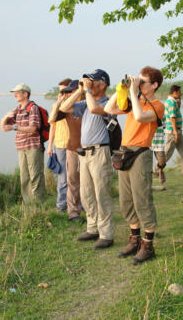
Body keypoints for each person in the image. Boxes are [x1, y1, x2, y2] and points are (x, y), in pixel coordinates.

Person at [105, 66, 165, 264]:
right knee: (126, 201)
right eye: (138, 80)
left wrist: (133, 90)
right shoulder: (135, 102)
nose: (139, 84)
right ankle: (134, 239)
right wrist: (121, 88)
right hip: (125, 153)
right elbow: (108, 109)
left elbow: (139, 117)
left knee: (142, 199)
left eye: (143, 81)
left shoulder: (157, 106)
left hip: (141, 154)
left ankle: (148, 246)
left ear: (154, 85)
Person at [59, 69, 115, 249]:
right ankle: (92, 228)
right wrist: (79, 90)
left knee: (101, 193)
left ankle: (106, 234)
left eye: (93, 81)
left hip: (100, 152)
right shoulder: (85, 100)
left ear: (102, 84)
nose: (89, 83)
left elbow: (93, 108)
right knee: (87, 192)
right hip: (85, 153)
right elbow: (63, 108)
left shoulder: (108, 102)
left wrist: (88, 91)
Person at [0, 83, 46, 203]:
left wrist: (15, 127)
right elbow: (4, 128)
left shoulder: (32, 108)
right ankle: (28, 204)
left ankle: (39, 203)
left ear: (25, 94)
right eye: (14, 93)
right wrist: (5, 117)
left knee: (35, 175)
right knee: (24, 177)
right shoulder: (18, 109)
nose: (15, 95)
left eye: (17, 92)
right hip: (21, 147)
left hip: (33, 146)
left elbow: (33, 128)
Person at [47, 79, 84, 223]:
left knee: (83, 180)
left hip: (81, 146)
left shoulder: (83, 104)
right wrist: (50, 145)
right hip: (65, 146)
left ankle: (83, 206)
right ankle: (66, 208)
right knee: (67, 179)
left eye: (67, 90)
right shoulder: (63, 107)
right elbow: (52, 122)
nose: (64, 93)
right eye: (62, 91)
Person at [47, 79, 70, 212]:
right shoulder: (55, 106)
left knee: (76, 176)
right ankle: (61, 206)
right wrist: (50, 145)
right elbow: (52, 127)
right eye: (60, 91)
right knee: (62, 177)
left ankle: (78, 205)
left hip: (74, 145)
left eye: (64, 90)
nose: (61, 93)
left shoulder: (76, 104)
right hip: (60, 145)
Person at [151, 118, 166, 185]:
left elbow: (165, 126)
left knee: (162, 161)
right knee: (146, 162)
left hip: (160, 141)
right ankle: (148, 182)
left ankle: (160, 171)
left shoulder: (162, 113)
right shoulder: (146, 111)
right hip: (149, 141)